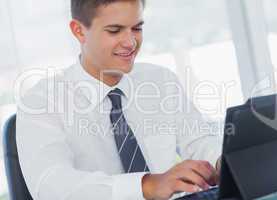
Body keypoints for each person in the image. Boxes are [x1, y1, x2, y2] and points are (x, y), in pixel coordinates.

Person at [16, 0, 222, 199]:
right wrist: (146, 185)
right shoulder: (41, 101)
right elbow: (51, 186)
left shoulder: (161, 80)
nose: (130, 42)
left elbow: (199, 142)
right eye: (114, 30)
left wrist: (221, 163)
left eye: (137, 28)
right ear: (79, 31)